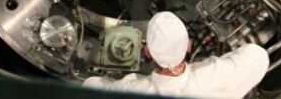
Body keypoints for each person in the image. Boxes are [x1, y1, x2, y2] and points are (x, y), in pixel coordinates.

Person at [83, 11, 270, 97]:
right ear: (188, 46)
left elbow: (90, 86)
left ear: (147, 52)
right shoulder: (216, 75)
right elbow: (259, 56)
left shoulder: (134, 90)